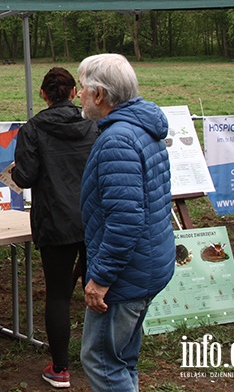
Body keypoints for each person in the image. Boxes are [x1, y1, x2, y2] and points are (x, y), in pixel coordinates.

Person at [76, 54, 175, 392]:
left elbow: (125, 219)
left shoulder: (118, 139)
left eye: (83, 88)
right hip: (146, 264)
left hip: (125, 275)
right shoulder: (141, 129)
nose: (78, 95)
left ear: (99, 95)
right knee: (121, 359)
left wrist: (100, 279)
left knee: (102, 362)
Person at [10, 68, 98, 389]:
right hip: (93, 219)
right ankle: (100, 357)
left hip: (55, 221)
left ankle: (60, 368)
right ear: (74, 92)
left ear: (44, 95)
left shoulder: (32, 129)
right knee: (100, 289)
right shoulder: (94, 125)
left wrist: (17, 171)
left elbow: (25, 177)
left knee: (59, 296)